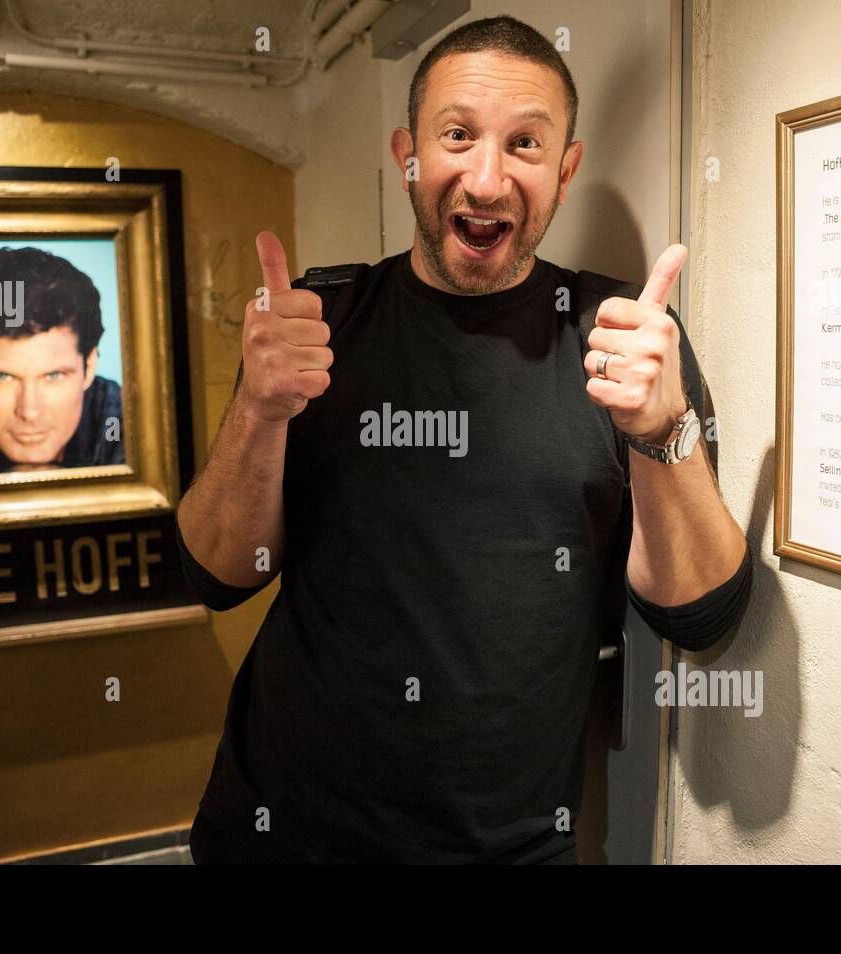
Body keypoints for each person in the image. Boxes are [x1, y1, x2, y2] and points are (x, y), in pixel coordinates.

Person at [176, 14, 753, 865]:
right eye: (457, 136)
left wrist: (663, 429)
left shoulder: (620, 339)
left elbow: (699, 614)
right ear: (409, 155)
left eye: (525, 145)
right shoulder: (319, 325)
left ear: (566, 169)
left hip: (508, 849)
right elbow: (216, 576)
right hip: (280, 832)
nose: (486, 181)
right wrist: (258, 412)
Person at [0, 246, 124, 476]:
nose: (30, 412)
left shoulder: (128, 422)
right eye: (2, 376)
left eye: (54, 376)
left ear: (89, 366)